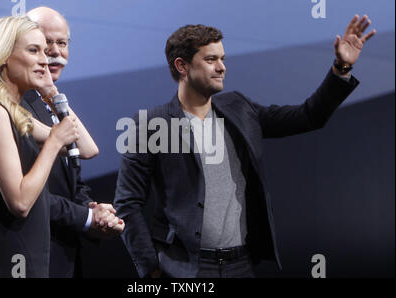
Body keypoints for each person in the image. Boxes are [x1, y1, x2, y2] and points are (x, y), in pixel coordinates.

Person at [113, 15, 376, 278]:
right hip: (183, 269)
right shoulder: (150, 124)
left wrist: (341, 67)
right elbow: (128, 203)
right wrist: (149, 268)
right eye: (210, 59)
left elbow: (309, 116)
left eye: (222, 59)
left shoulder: (239, 107)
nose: (221, 67)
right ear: (182, 66)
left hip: (241, 265)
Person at [0, 16, 83, 277]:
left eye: (45, 51)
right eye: (33, 50)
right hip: (8, 263)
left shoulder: (16, 114)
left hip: (29, 259)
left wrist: (52, 94)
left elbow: (82, 147)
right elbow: (19, 202)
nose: (46, 59)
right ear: (4, 56)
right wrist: (53, 142)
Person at [22, 6, 124, 278]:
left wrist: (91, 207)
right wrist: (88, 219)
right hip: (29, 255)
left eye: (62, 43)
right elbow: (24, 195)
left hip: (63, 253)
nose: (54, 52)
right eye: (44, 44)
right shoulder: (14, 106)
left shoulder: (45, 103)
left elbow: (88, 151)